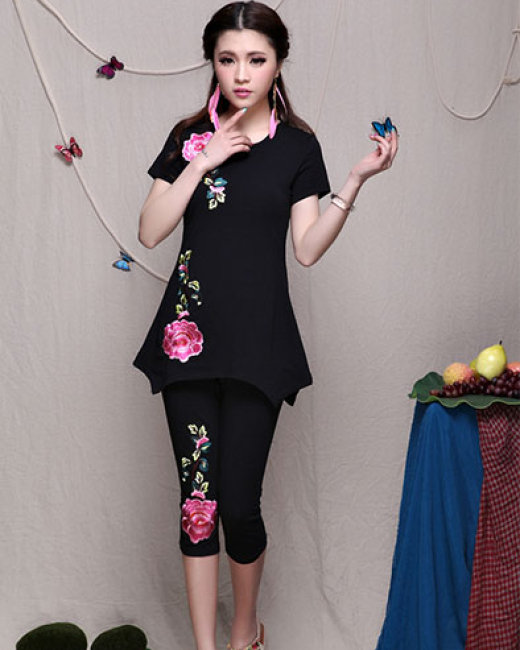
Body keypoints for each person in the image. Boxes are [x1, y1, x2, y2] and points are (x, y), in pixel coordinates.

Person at [133, 2, 399, 649]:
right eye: (228, 59)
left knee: (239, 504)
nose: (241, 74)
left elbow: (305, 249)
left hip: (260, 344)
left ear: (278, 63)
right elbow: (149, 230)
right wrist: (203, 159)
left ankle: (244, 631)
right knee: (198, 504)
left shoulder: (299, 147)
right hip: (187, 342)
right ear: (213, 62)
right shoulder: (189, 136)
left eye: (256, 59)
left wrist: (355, 182)